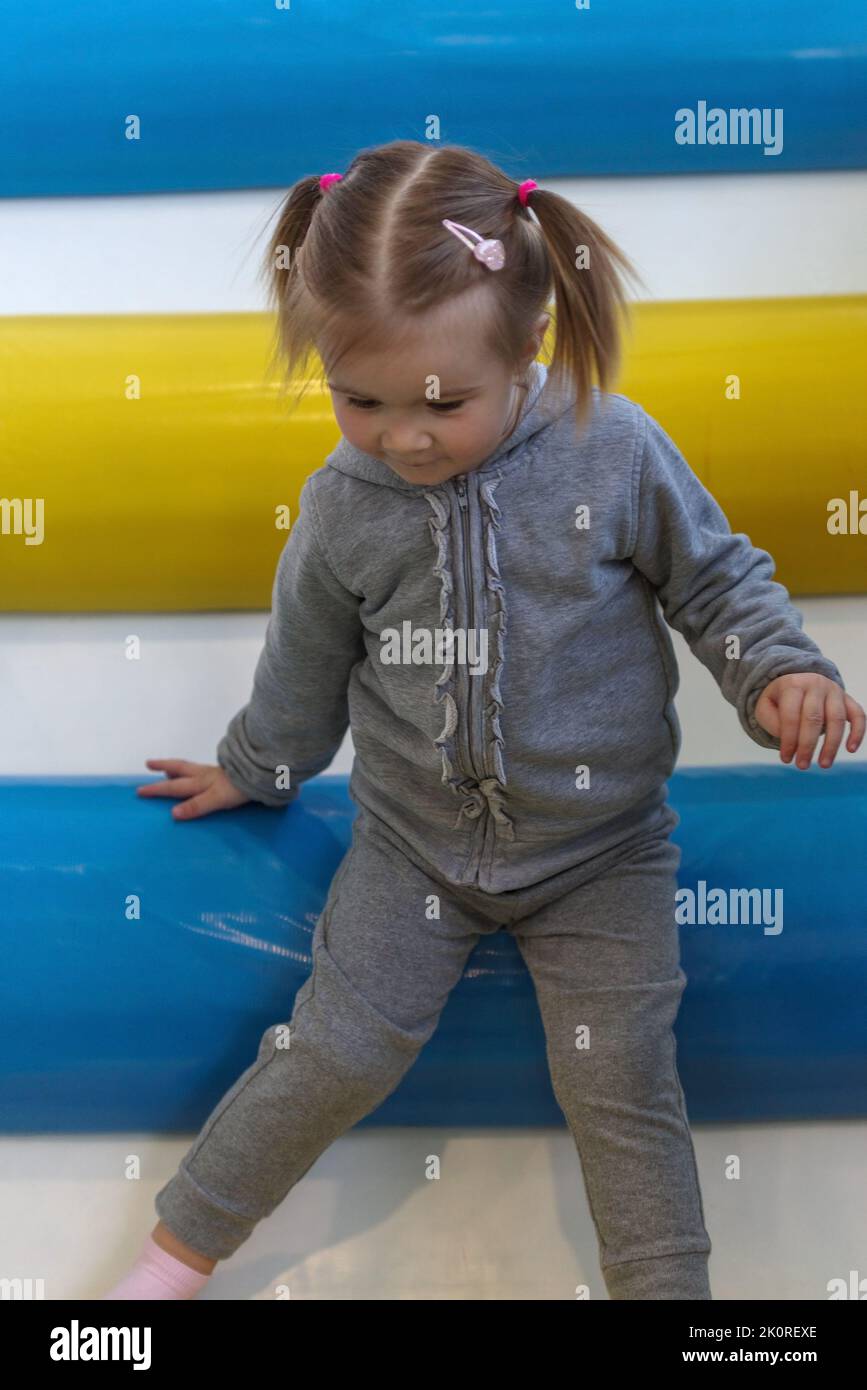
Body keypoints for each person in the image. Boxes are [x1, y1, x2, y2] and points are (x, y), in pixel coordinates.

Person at [104, 139, 864, 1301]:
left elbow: (715, 583)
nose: (403, 436)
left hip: (602, 851)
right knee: (332, 1051)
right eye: (360, 399)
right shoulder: (342, 504)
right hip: (415, 847)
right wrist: (255, 767)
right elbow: (305, 664)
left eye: (442, 403)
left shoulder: (612, 447)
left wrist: (779, 675)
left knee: (620, 1087)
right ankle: (172, 1259)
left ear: (528, 351)